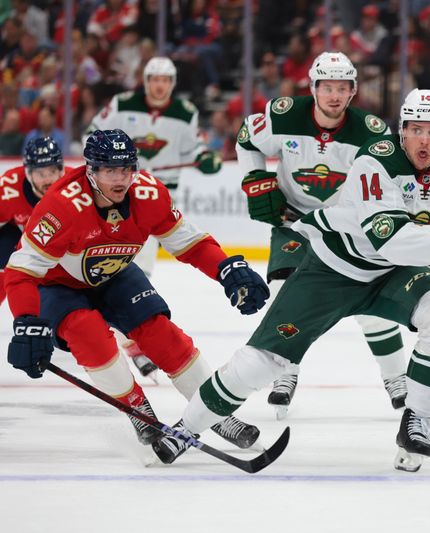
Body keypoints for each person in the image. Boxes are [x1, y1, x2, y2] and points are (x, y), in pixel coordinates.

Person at [152, 89, 430, 471]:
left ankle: (416, 420)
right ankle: (185, 429)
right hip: (333, 268)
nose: (424, 141)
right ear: (403, 131)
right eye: (416, 130)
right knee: (261, 364)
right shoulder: (375, 162)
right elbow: (393, 239)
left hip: (391, 274)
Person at [4, 129, 269, 461]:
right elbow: (21, 271)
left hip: (114, 273)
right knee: (89, 335)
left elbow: (190, 243)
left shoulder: (148, 193)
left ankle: (213, 410)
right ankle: (135, 408)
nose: (120, 179)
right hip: (58, 285)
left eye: (126, 169)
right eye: (109, 170)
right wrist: (27, 319)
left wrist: (226, 269)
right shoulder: (61, 207)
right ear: (90, 170)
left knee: (160, 333)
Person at [237, 51, 408, 419]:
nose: (334, 95)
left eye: (342, 88)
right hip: (295, 219)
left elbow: (389, 181)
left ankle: (396, 378)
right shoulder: (283, 115)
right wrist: (256, 179)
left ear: (353, 92)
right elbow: (247, 139)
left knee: (372, 306)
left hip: (345, 226)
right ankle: (286, 372)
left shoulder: (372, 133)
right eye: (327, 87)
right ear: (313, 88)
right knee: (288, 294)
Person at [87, 56, 222, 376]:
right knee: (111, 264)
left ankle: (129, 335)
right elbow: (91, 135)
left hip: (153, 201)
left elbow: (195, 149)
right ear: (145, 81)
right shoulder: (122, 104)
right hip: (114, 196)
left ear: (172, 84)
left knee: (138, 270)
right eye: (154, 79)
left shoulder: (184, 113)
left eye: (165, 80)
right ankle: (125, 335)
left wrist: (205, 159)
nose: (159, 85)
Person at [0, 137, 70, 306]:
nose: (47, 180)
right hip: (19, 236)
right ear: (29, 173)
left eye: (52, 171)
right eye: (40, 173)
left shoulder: (75, 186)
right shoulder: (9, 187)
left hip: (62, 244)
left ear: (61, 170)